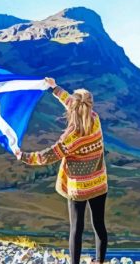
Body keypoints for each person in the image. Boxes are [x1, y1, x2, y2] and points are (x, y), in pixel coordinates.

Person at [14, 77, 108, 264]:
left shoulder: (71, 137)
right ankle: (100, 261)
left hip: (78, 188)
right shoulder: (95, 120)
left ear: (74, 107)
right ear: (89, 106)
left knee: (76, 228)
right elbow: (73, 103)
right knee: (99, 225)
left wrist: (23, 156)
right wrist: (54, 88)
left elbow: (48, 156)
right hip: (99, 183)